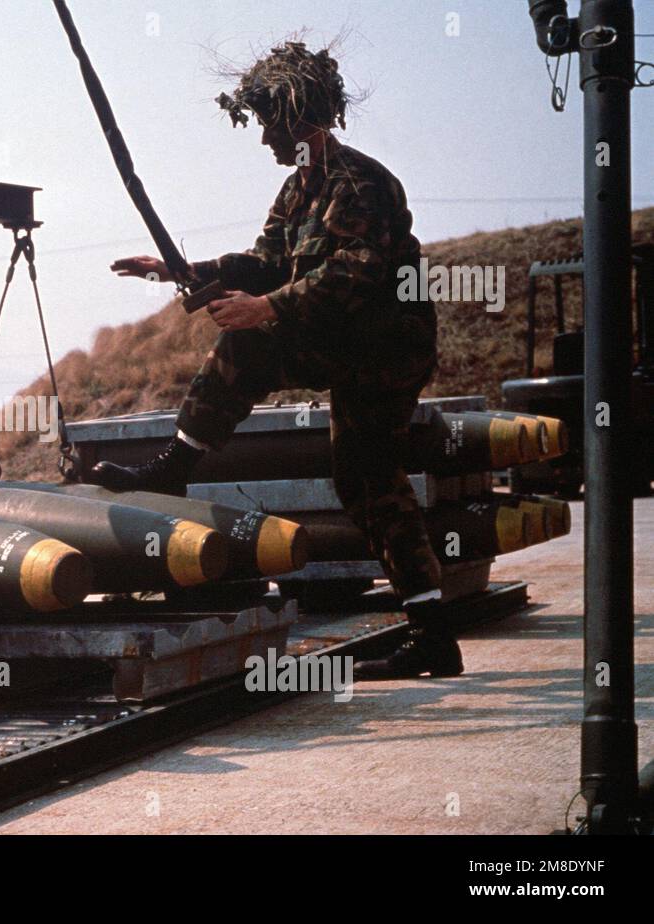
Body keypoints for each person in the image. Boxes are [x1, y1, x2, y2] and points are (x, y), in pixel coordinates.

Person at [93, 42, 461, 681]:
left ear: (303, 121)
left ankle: (433, 639)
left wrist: (267, 308)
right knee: (258, 358)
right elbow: (263, 262)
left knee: (367, 479)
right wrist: (180, 271)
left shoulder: (360, 183)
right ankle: (176, 468)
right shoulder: (296, 190)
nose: (263, 138)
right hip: (337, 341)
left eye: (270, 125)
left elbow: (356, 274)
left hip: (382, 350)